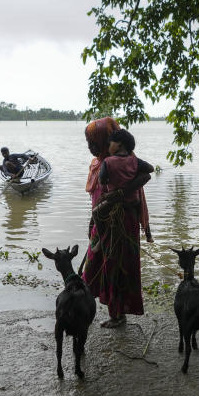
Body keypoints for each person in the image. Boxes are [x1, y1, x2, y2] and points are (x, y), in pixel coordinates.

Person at [81, 118, 153, 328]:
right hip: (101, 222)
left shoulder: (124, 162)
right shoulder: (99, 164)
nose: (91, 147)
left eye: (94, 142)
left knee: (117, 266)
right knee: (94, 265)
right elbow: (97, 196)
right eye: (88, 142)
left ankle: (118, 314)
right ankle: (86, 306)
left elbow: (139, 191)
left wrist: (146, 227)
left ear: (108, 141)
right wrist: (92, 222)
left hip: (121, 222)